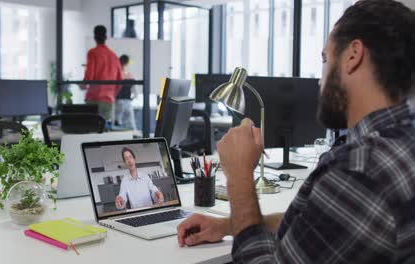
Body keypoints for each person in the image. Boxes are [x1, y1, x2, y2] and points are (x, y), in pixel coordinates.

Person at [177, 0, 415, 263]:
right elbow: (321, 227)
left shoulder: (360, 170)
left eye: (325, 59)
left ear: (352, 55)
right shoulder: (401, 144)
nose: (319, 79)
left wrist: (240, 176)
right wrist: (229, 225)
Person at [81, 25, 122, 123]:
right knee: (104, 130)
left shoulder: (93, 53)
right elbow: (120, 81)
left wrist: (82, 85)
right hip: (108, 99)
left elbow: (89, 76)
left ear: (94, 37)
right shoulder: (113, 55)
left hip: (93, 98)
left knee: (91, 129)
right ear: (106, 37)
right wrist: (112, 94)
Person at [115, 55, 137, 130]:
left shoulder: (116, 74)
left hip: (118, 101)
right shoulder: (130, 75)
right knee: (130, 124)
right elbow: (135, 93)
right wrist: (132, 98)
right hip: (127, 101)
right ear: (127, 63)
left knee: (117, 123)